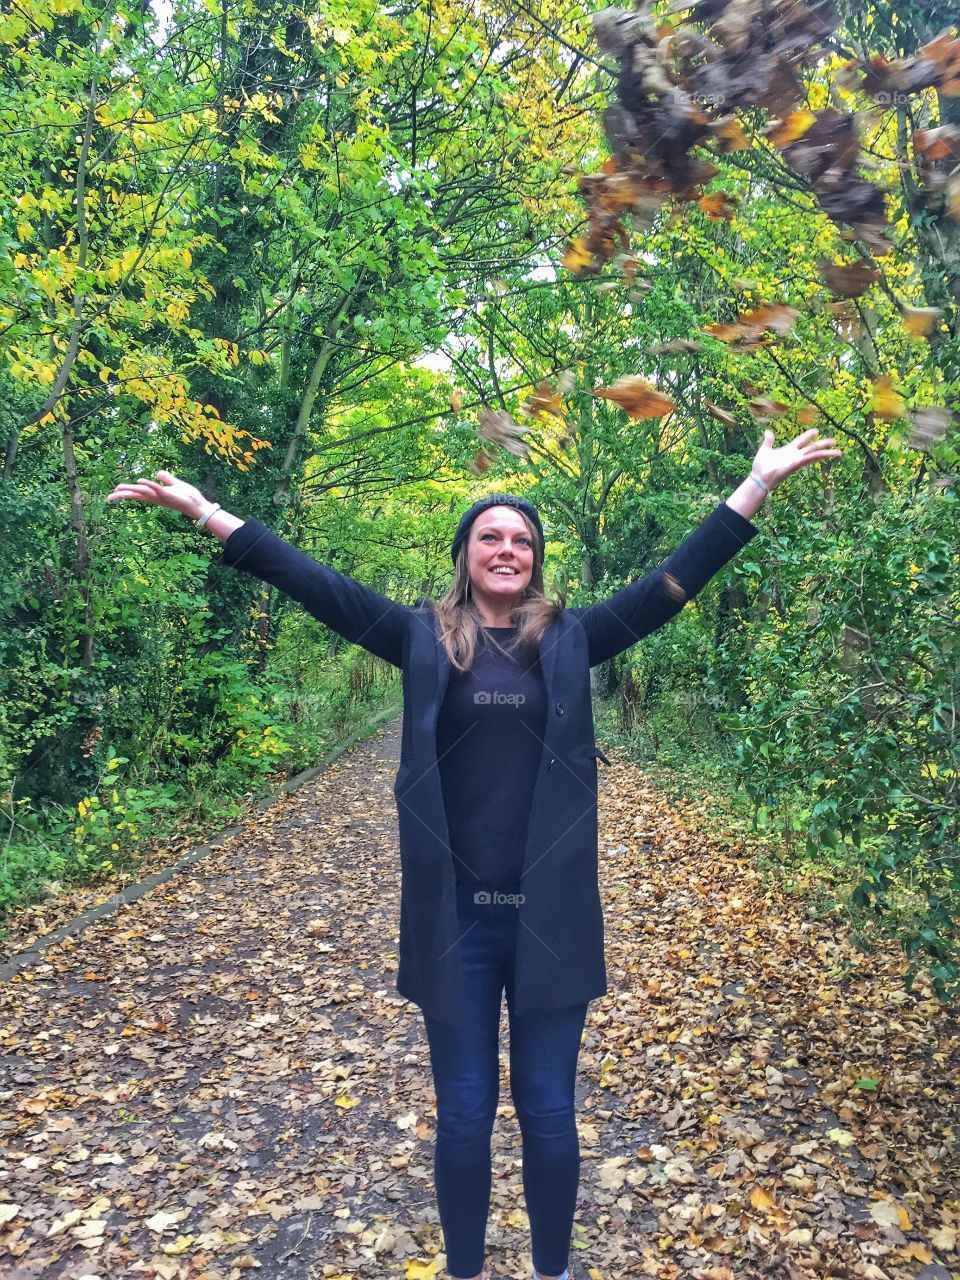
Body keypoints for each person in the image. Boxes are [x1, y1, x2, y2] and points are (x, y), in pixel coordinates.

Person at [107, 425, 841, 1280]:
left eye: (522, 539)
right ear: (465, 554)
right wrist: (208, 514)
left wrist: (752, 487)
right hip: (452, 918)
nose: (507, 549)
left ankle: (551, 1270)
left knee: (549, 1108)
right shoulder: (421, 637)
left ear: (536, 560)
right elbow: (316, 585)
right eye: (490, 536)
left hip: (552, 918)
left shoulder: (572, 637)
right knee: (462, 1115)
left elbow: (669, 588)